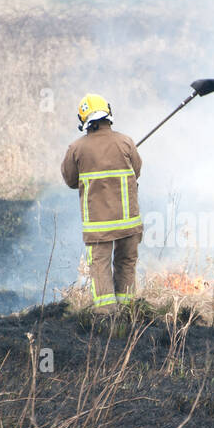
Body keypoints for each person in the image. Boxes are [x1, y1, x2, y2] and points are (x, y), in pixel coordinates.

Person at [61, 93, 143, 313]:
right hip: (128, 222)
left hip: (98, 226)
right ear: (108, 115)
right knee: (126, 263)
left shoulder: (76, 149)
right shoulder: (126, 141)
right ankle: (127, 312)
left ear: (84, 121)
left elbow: (70, 180)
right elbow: (137, 171)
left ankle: (107, 316)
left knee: (100, 267)